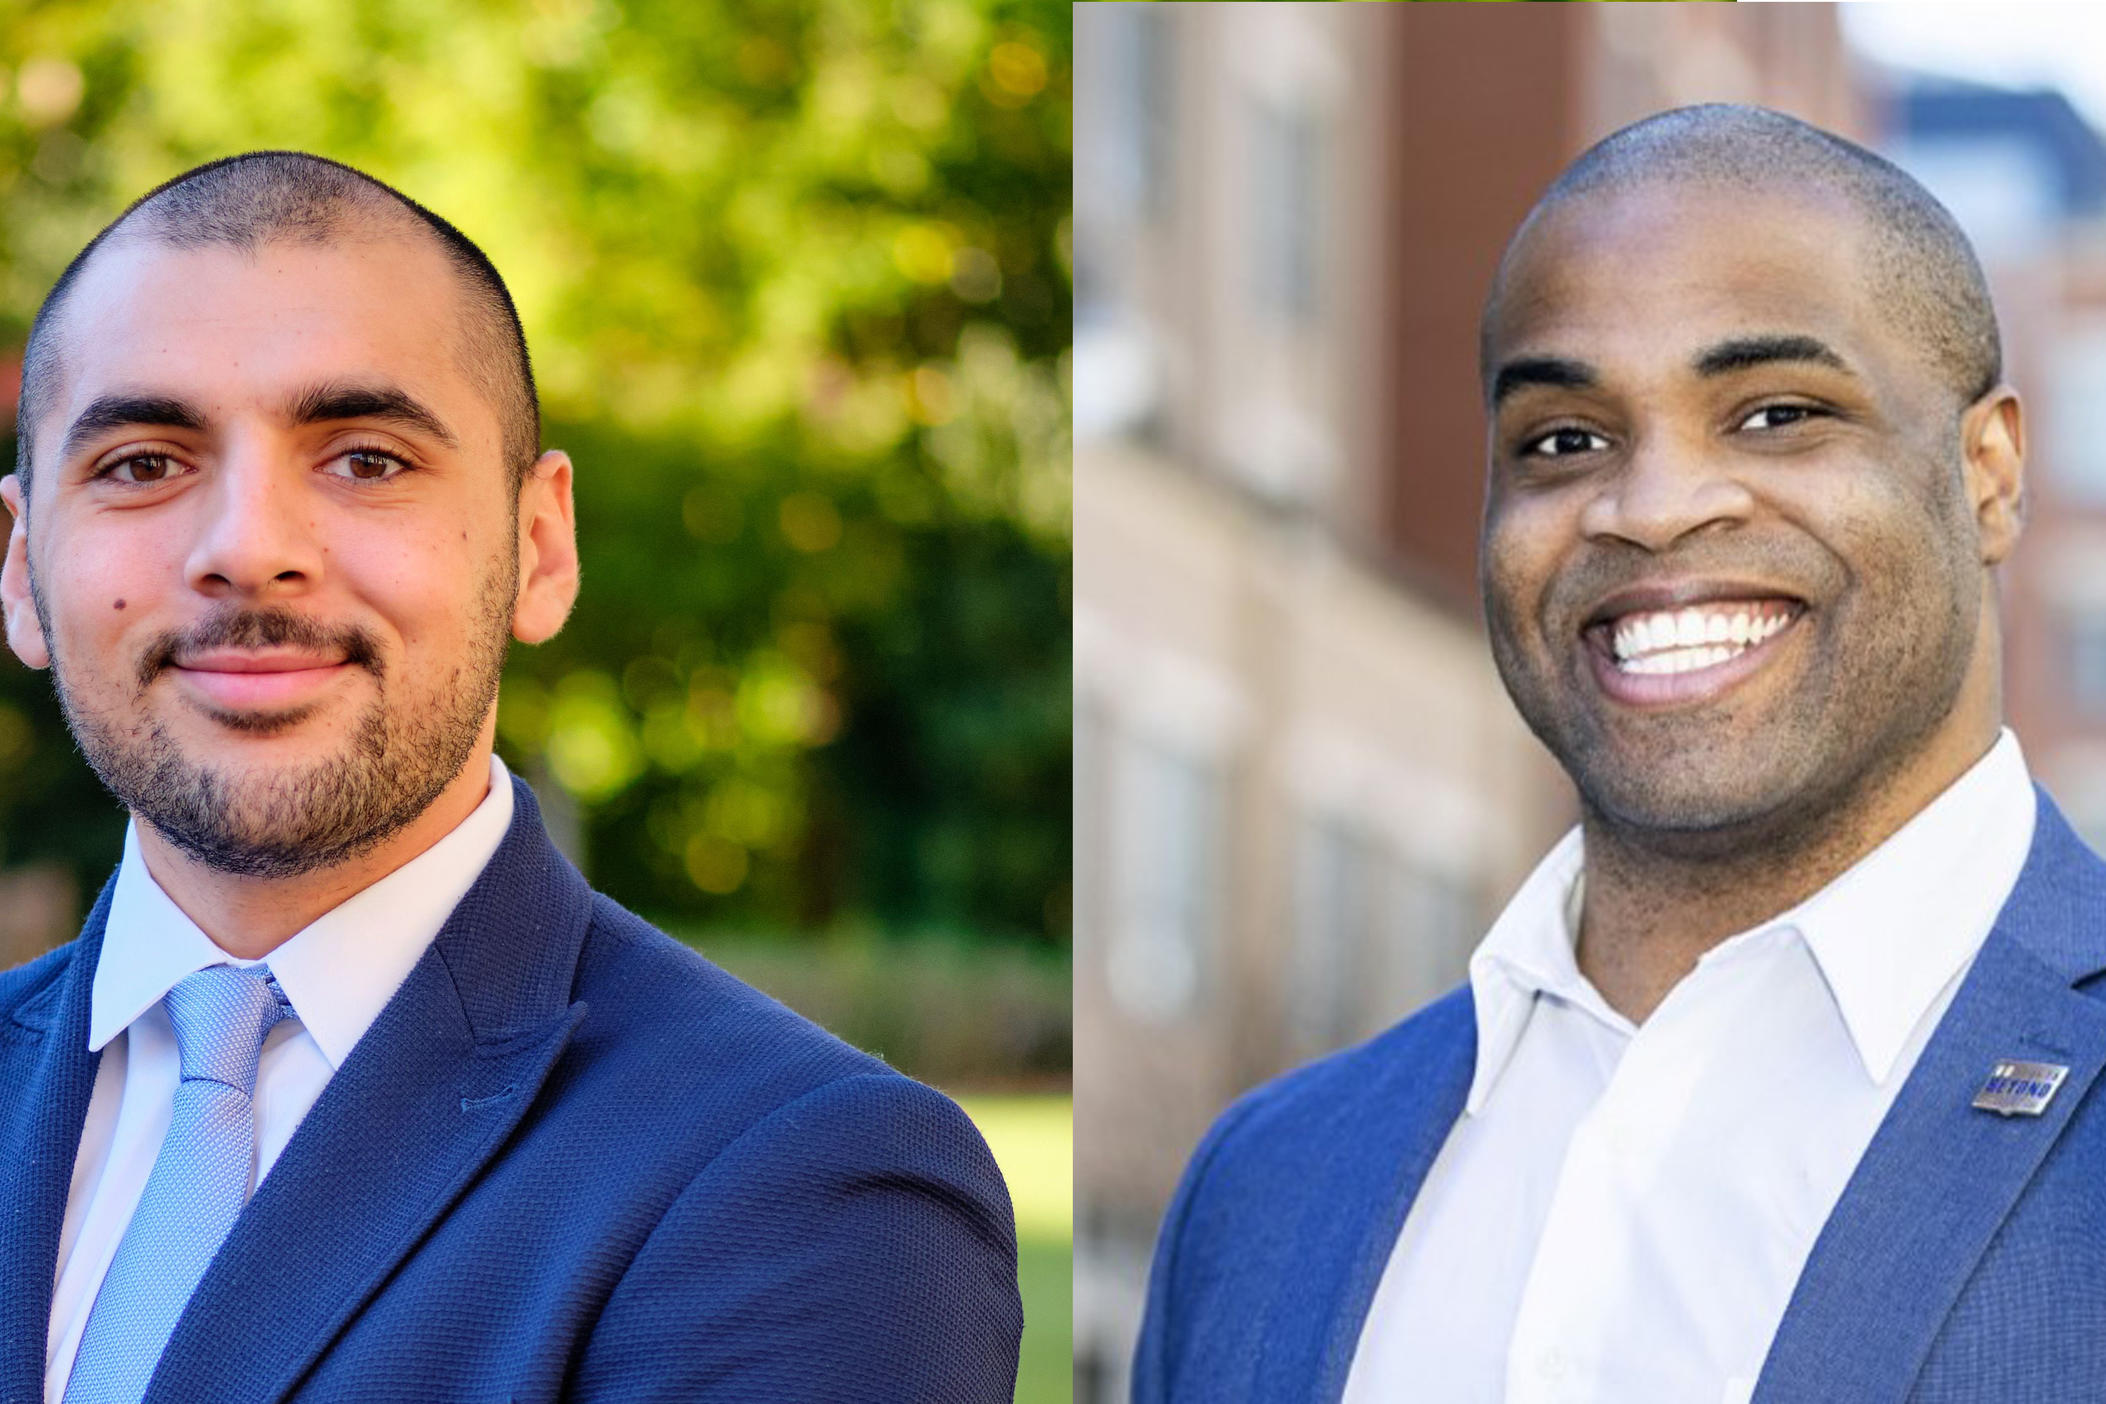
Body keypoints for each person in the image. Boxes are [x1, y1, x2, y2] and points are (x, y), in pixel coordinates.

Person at [0, 151, 1020, 1403]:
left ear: (540, 547)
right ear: (20, 566)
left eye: (365, 457)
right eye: (144, 463)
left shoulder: (813, 1186)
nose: (247, 550)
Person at [1133, 103, 2106, 1403]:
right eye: (1563, 440)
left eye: (1773, 413)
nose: (1648, 508)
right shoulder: (1265, 1187)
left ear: (1985, 474)